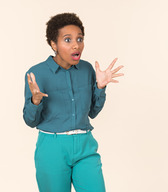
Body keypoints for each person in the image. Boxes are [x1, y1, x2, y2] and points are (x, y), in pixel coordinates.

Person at [23, 13, 124, 192]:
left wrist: (100, 87)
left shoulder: (86, 69)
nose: (76, 44)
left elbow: (92, 111)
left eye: (79, 39)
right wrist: (35, 100)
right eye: (68, 40)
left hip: (85, 146)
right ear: (53, 44)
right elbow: (31, 121)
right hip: (52, 148)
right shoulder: (36, 73)